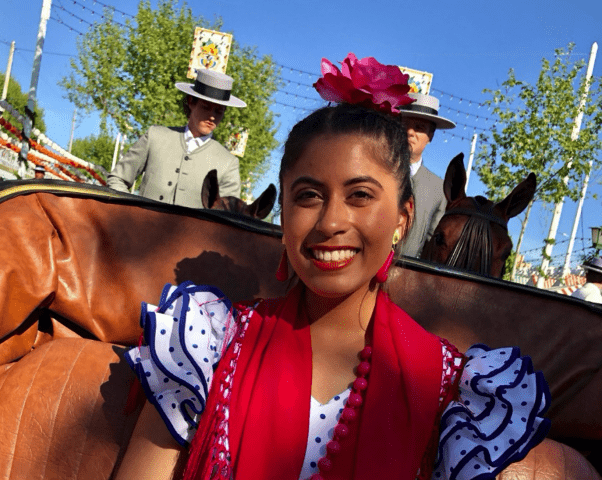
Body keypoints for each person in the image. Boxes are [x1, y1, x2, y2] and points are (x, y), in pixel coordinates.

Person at [117, 54, 550, 480]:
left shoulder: (451, 388)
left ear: (403, 219)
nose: (330, 223)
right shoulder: (208, 342)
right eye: (308, 196)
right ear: (283, 214)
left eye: (360, 195)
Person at [107, 69, 245, 209]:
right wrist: (131, 212)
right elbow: (118, 179)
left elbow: (228, 217)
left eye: (219, 111)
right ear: (191, 102)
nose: (212, 117)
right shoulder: (155, 136)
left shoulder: (228, 163)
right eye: (206, 107)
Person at [397, 93, 456, 258]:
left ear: (430, 136)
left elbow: (432, 245)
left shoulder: (438, 189)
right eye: (404, 125)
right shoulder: (376, 171)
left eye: (419, 127)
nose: (409, 132)